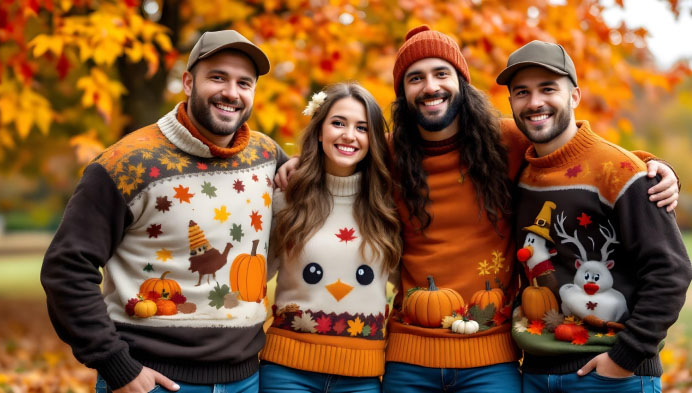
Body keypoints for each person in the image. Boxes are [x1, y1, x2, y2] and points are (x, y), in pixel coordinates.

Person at [273, 26, 679, 393]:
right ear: (403, 94)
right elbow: (340, 158)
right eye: (416, 78)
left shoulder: (506, 140)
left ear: (461, 83)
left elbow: (573, 152)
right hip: (408, 357)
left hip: (491, 358)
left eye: (441, 74)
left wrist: (651, 167)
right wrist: (295, 165)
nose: (430, 86)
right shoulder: (391, 154)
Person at [41, 30, 287, 393]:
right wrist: (117, 366)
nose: (231, 93)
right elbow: (66, 268)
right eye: (217, 77)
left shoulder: (267, 157)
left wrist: (299, 167)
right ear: (188, 83)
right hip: (153, 380)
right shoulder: (126, 164)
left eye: (244, 83)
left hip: (245, 380)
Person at [498, 40, 692, 393]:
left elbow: (671, 270)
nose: (535, 102)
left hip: (612, 375)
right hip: (537, 373)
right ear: (510, 102)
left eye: (548, 89)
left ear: (574, 96)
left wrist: (624, 359)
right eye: (521, 92)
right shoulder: (520, 173)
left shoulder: (621, 172)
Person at [259, 82, 402, 393]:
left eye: (362, 128)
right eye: (338, 123)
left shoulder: (387, 206)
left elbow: (406, 279)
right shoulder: (286, 197)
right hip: (287, 371)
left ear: (373, 140)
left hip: (362, 376)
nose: (349, 135)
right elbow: (254, 277)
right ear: (319, 131)